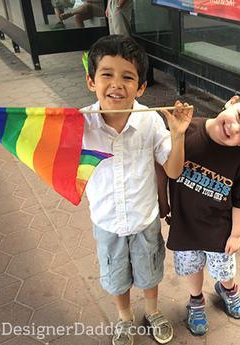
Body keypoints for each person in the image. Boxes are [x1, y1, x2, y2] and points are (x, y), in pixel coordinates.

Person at [81, 34, 193, 345]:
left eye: (127, 77)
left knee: (149, 272)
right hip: (107, 221)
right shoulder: (81, 124)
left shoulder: (150, 123)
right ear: (91, 81)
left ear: (140, 87)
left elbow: (173, 170)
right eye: (107, 75)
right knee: (116, 276)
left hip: (145, 218)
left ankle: (153, 311)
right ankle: (124, 318)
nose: (116, 84)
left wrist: (178, 134)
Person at [166, 92, 240, 335]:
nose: (234, 128)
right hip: (185, 224)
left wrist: (236, 235)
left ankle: (228, 289)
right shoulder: (188, 129)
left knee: (224, 271)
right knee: (191, 268)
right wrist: (176, 133)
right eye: (238, 115)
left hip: (219, 231)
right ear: (232, 101)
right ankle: (196, 300)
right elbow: (167, 168)